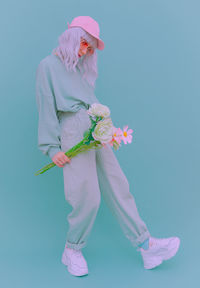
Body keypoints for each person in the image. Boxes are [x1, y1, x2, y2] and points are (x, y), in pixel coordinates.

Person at [35, 16, 180, 277]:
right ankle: (72, 249)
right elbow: (46, 106)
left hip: (96, 127)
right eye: (84, 43)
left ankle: (146, 245)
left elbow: (89, 100)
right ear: (72, 37)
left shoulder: (79, 68)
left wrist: (107, 128)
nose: (86, 51)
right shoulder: (47, 66)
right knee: (86, 196)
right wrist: (51, 146)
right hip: (71, 132)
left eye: (90, 48)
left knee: (118, 184)